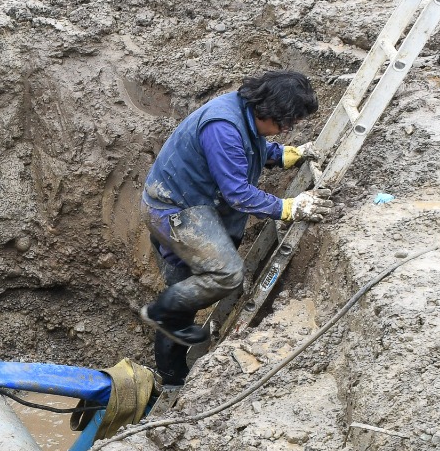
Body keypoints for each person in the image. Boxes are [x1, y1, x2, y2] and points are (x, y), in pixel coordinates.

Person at [139, 70, 332, 388]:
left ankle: (171, 367)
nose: (287, 129)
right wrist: (288, 207)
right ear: (270, 111)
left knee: (185, 299)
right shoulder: (224, 127)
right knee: (224, 276)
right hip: (173, 210)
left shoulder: (244, 113)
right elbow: (238, 192)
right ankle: (167, 350)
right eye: (287, 123)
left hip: (193, 205)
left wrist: (286, 155)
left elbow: (253, 147)